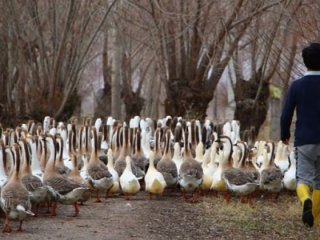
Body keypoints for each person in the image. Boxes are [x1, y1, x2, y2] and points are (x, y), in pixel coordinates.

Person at [281, 42, 320, 227]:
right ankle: (314, 216)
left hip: (304, 140)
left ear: (305, 62)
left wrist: (284, 133)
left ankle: (306, 200)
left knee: (303, 178)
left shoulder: (297, 86)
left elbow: (286, 113)